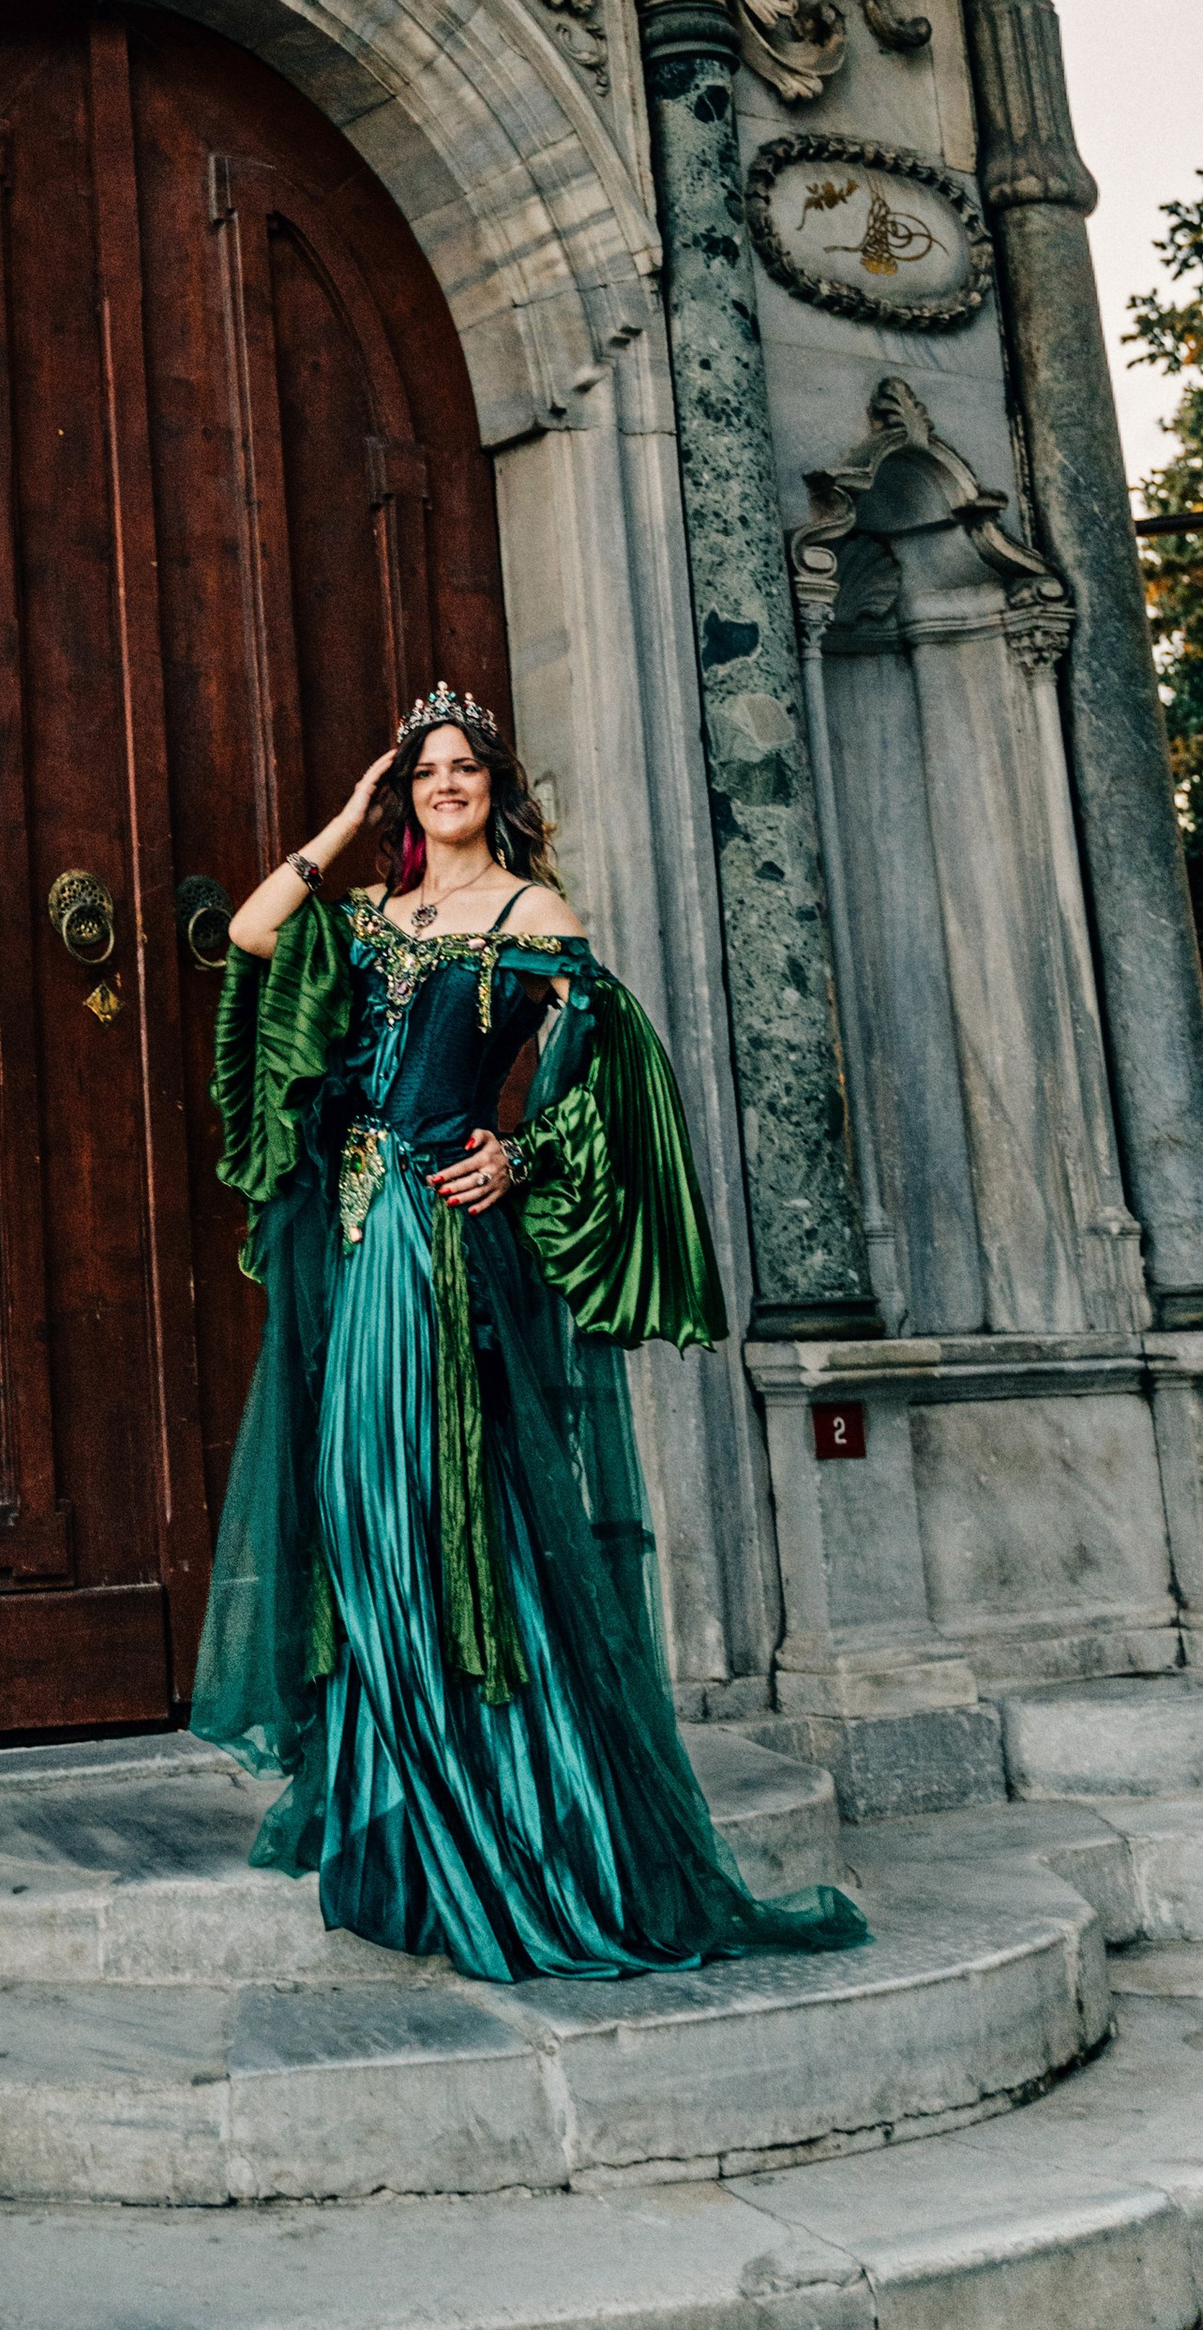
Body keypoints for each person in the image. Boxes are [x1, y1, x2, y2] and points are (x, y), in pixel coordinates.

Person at [192, 676, 867, 1983]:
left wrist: (523, 1151)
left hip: (441, 1248)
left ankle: (513, 1830)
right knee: (360, 1512)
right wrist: (345, 811)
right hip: (352, 1242)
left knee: (453, 1516)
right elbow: (256, 932)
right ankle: (424, 1817)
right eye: (427, 770)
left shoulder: (531, 914)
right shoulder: (373, 911)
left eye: (465, 768)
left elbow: (623, 1077)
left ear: (498, 788)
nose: (447, 784)